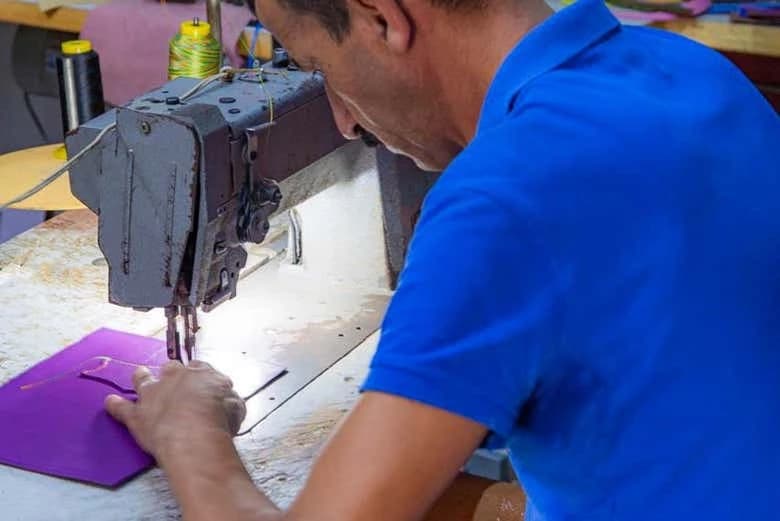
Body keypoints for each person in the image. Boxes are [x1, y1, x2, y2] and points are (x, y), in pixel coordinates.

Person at [104, 0, 780, 519]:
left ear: (381, 16)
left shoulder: (506, 196)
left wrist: (190, 434)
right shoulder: (690, 70)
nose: (342, 120)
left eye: (321, 68)